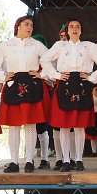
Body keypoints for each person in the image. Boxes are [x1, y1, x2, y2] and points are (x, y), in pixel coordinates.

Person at [41, 19, 97, 172]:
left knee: (79, 126)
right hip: (64, 83)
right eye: (71, 27)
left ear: (81, 30)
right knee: (64, 125)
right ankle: (66, 160)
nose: (74, 29)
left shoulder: (89, 46)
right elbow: (44, 59)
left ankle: (78, 159)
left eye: (77, 27)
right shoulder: (60, 45)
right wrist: (55, 75)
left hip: (82, 85)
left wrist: (92, 78)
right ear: (66, 30)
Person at [0, 16, 51, 173]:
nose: (29, 28)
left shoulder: (37, 45)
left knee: (30, 124)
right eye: (26, 24)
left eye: (31, 25)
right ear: (18, 26)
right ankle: (14, 162)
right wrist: (3, 77)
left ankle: (29, 161)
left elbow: (51, 61)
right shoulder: (7, 45)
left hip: (33, 85)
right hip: (13, 85)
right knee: (14, 125)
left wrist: (41, 74)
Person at [32, 33, 54, 169]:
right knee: (30, 126)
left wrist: (41, 76)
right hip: (28, 96)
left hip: (44, 95)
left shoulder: (47, 62)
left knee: (42, 127)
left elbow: (52, 81)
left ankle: (45, 158)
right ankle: (30, 158)